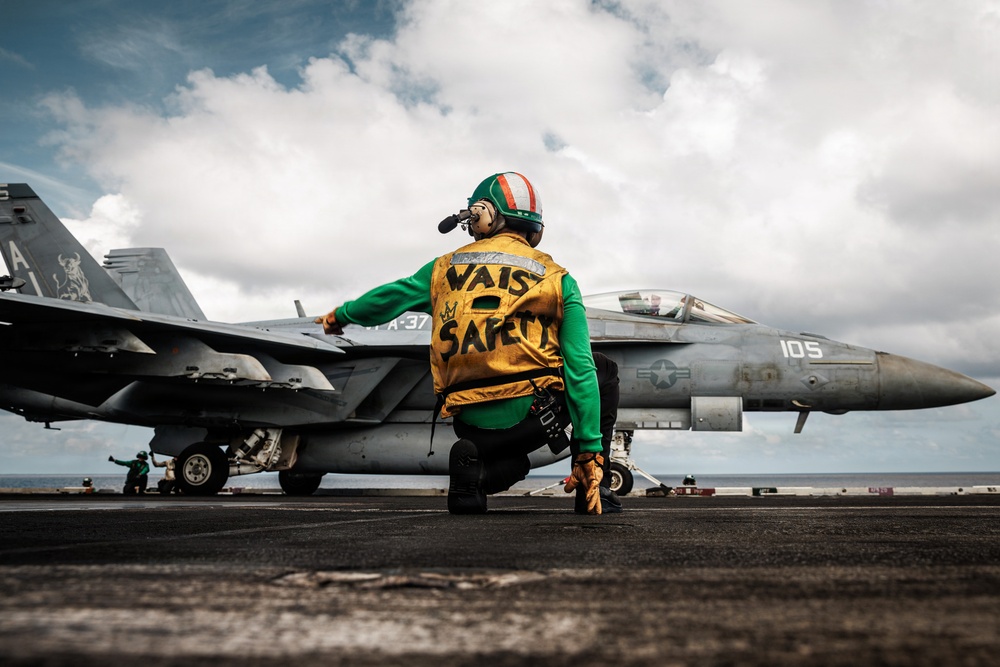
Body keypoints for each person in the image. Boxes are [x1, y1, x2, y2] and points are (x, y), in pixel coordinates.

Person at [317, 172, 621, 515]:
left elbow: (390, 297)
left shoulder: (442, 269)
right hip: (531, 419)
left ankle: (476, 475)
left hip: (469, 423)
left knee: (510, 461)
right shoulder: (557, 279)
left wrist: (341, 315)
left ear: (481, 216)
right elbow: (580, 368)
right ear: (535, 229)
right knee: (603, 369)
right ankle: (593, 485)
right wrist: (589, 452)